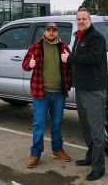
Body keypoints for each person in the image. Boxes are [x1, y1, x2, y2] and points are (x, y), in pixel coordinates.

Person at [61, 8, 108, 181]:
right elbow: (80, 58)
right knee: (86, 127)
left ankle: (99, 167)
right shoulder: (79, 37)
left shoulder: (96, 38)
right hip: (82, 88)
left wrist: (70, 59)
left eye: (84, 18)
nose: (81, 21)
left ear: (90, 20)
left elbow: (93, 58)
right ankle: (90, 156)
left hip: (94, 90)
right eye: (78, 19)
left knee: (96, 131)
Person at [22, 22, 72, 168]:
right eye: (48, 30)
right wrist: (29, 65)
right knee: (39, 124)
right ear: (44, 32)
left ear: (57, 33)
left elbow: (70, 68)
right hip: (41, 93)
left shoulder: (64, 48)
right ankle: (35, 154)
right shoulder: (36, 47)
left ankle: (57, 149)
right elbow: (25, 64)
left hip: (58, 94)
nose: (51, 33)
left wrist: (67, 85)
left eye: (53, 30)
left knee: (57, 123)